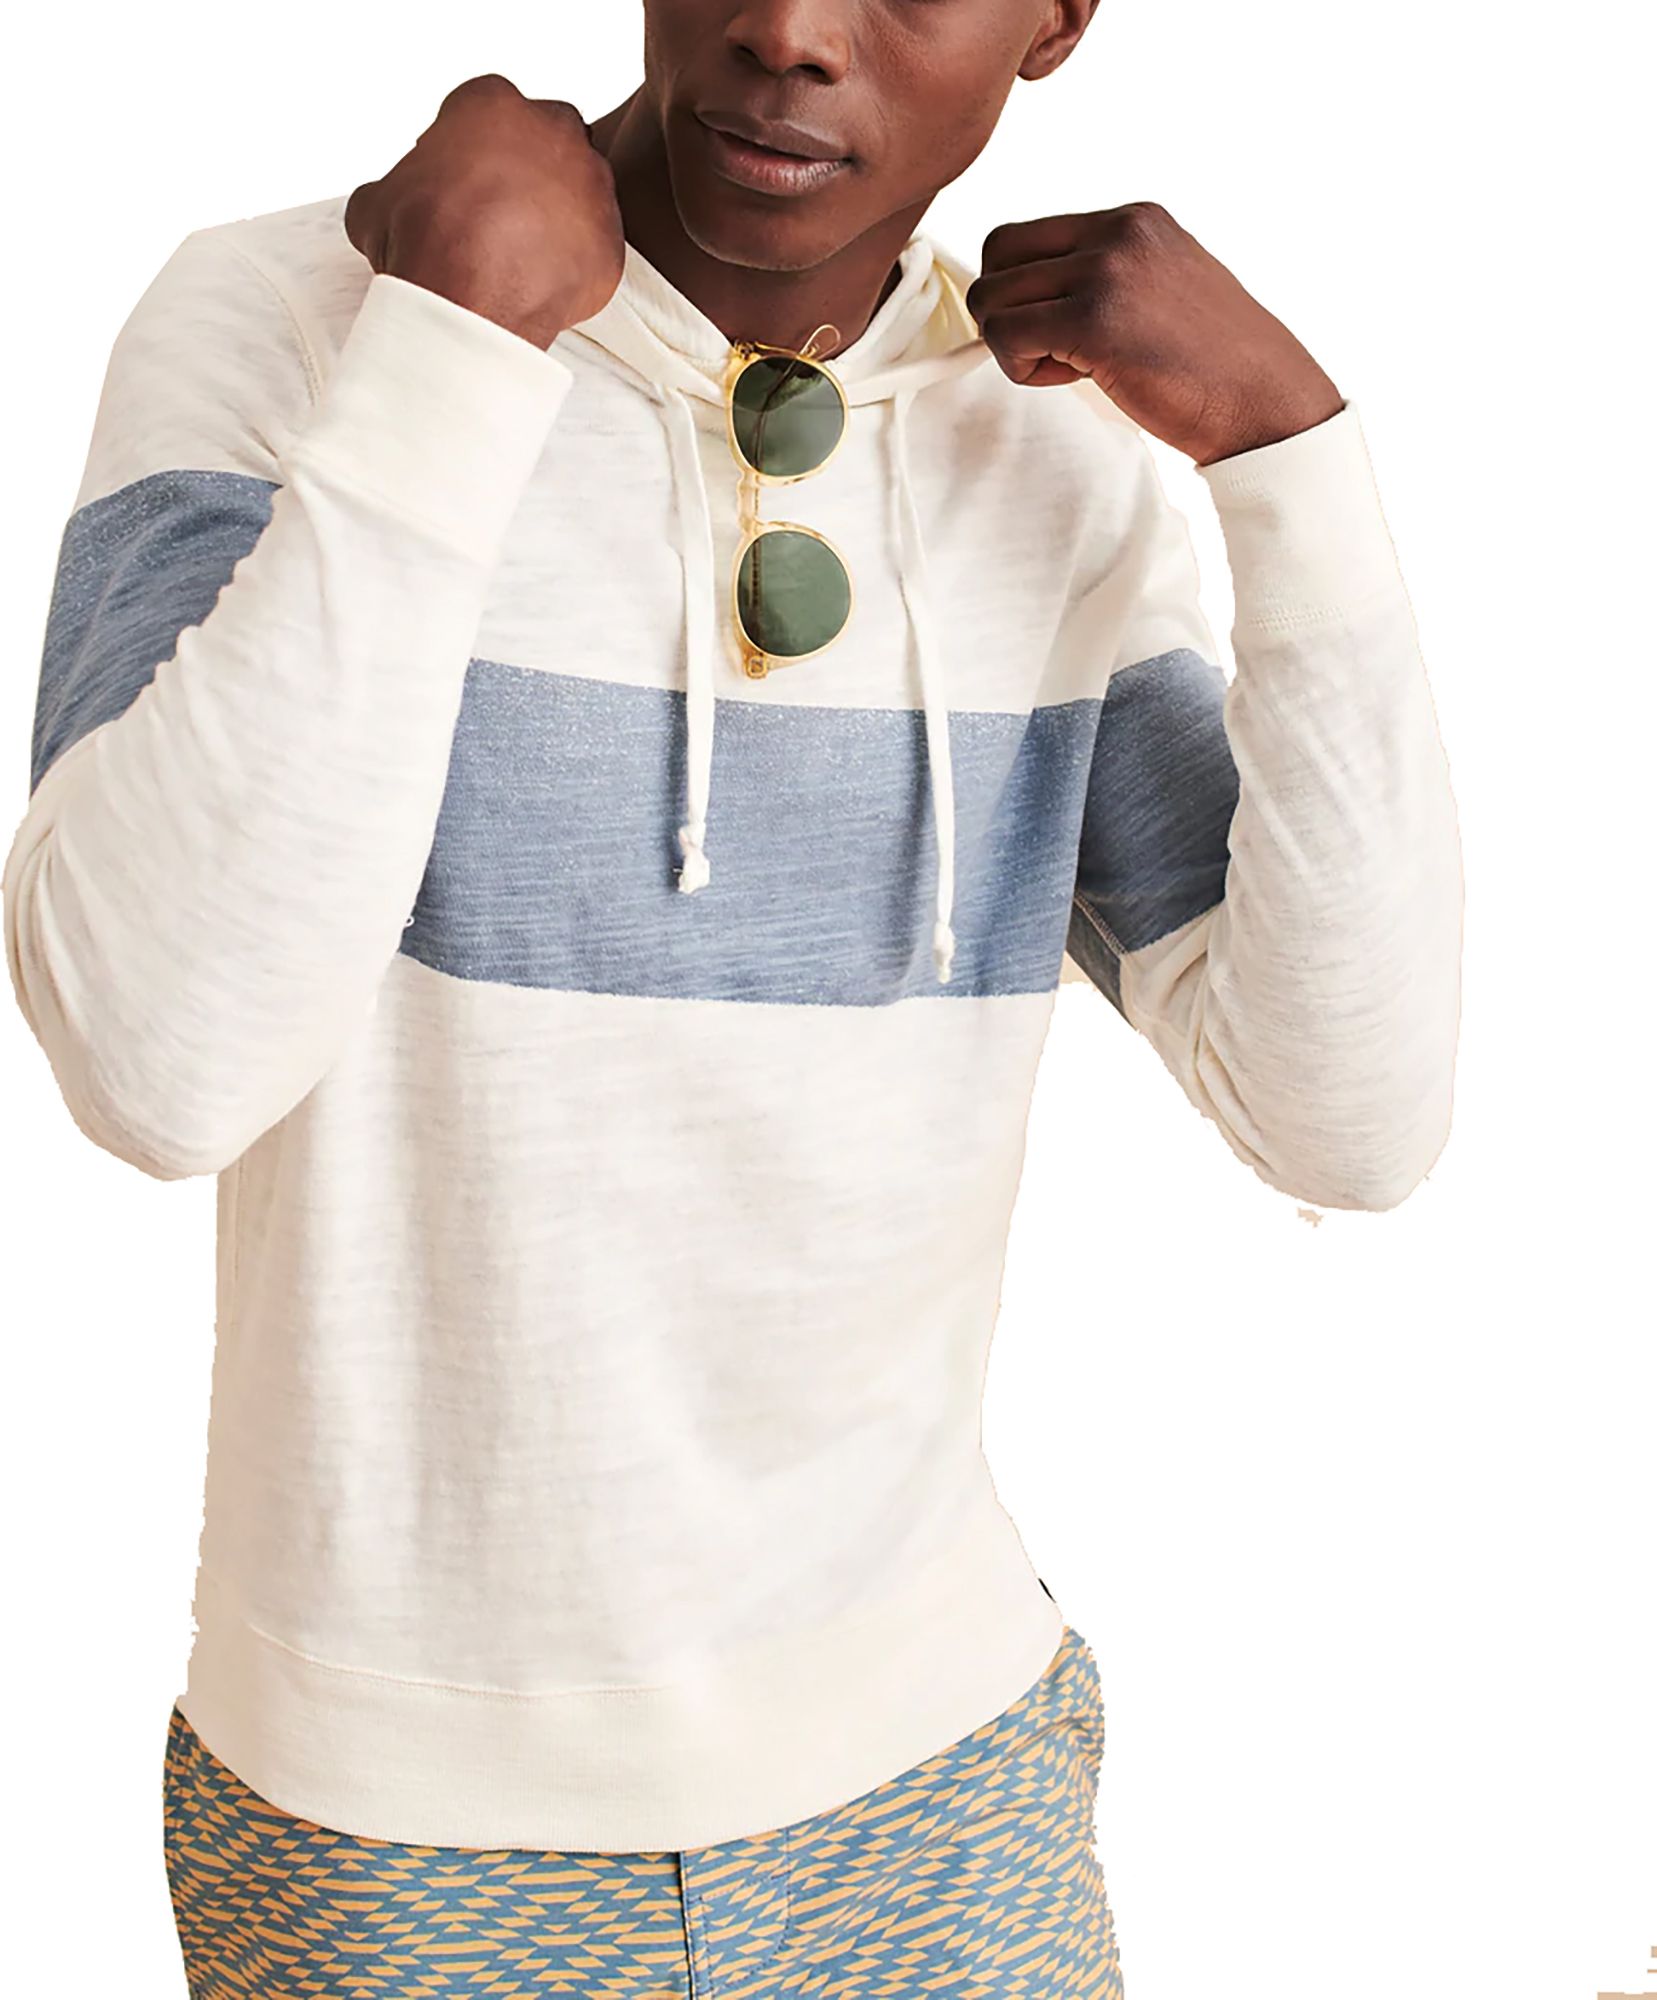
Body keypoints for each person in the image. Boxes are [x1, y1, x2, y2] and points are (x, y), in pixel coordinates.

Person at [2, 1, 1464, 1993]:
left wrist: (1291, 464)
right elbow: (156, 1062)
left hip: (943, 1788)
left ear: (1056, 19)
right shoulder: (302, 320)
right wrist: (452, 348)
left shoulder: (1057, 443)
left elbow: (1346, 1120)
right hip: (397, 1834)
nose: (787, 27)